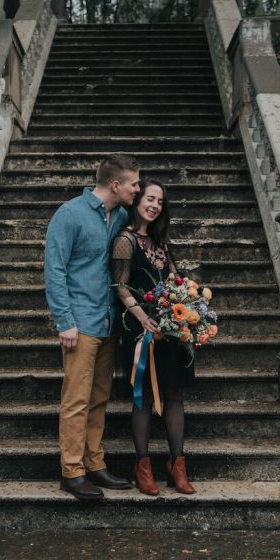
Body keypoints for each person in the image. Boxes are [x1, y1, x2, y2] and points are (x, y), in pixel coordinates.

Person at [44, 155, 141, 501]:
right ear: (116, 185)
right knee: (76, 399)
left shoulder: (122, 217)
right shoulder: (69, 215)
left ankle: (94, 463)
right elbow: (54, 270)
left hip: (107, 321)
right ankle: (71, 471)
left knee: (99, 396)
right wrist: (65, 322)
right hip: (80, 323)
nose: (138, 189)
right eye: (134, 184)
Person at [111, 180, 196, 496]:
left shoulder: (162, 242)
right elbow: (119, 287)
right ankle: (142, 466)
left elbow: (176, 281)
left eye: (160, 201)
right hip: (141, 328)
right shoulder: (125, 241)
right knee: (144, 396)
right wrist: (141, 317)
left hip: (170, 328)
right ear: (137, 202)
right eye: (149, 198)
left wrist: (188, 308)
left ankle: (178, 465)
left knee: (174, 394)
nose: (154, 205)